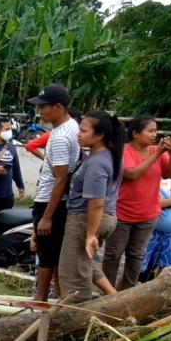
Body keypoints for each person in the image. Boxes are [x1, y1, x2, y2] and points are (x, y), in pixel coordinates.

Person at [101, 116, 171, 290]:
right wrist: (158, 153)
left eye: (156, 131)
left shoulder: (156, 151)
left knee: (137, 255)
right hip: (122, 213)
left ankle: (128, 291)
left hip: (148, 214)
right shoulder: (125, 150)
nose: (155, 135)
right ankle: (106, 292)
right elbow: (131, 174)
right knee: (113, 254)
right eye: (150, 131)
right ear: (136, 133)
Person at [20, 84, 80, 310]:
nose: (40, 112)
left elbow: (61, 178)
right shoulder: (70, 126)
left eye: (43, 107)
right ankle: (58, 296)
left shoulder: (60, 138)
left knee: (45, 251)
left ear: (58, 107)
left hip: (50, 199)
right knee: (54, 251)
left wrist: (47, 216)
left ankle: (41, 299)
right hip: (58, 199)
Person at [57, 111, 123, 303]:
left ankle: (78, 317)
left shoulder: (97, 162)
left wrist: (90, 234)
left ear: (100, 135)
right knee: (83, 262)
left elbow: (96, 202)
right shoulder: (110, 156)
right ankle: (117, 300)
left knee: (73, 273)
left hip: (85, 219)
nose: (79, 134)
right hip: (105, 218)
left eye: (83, 131)